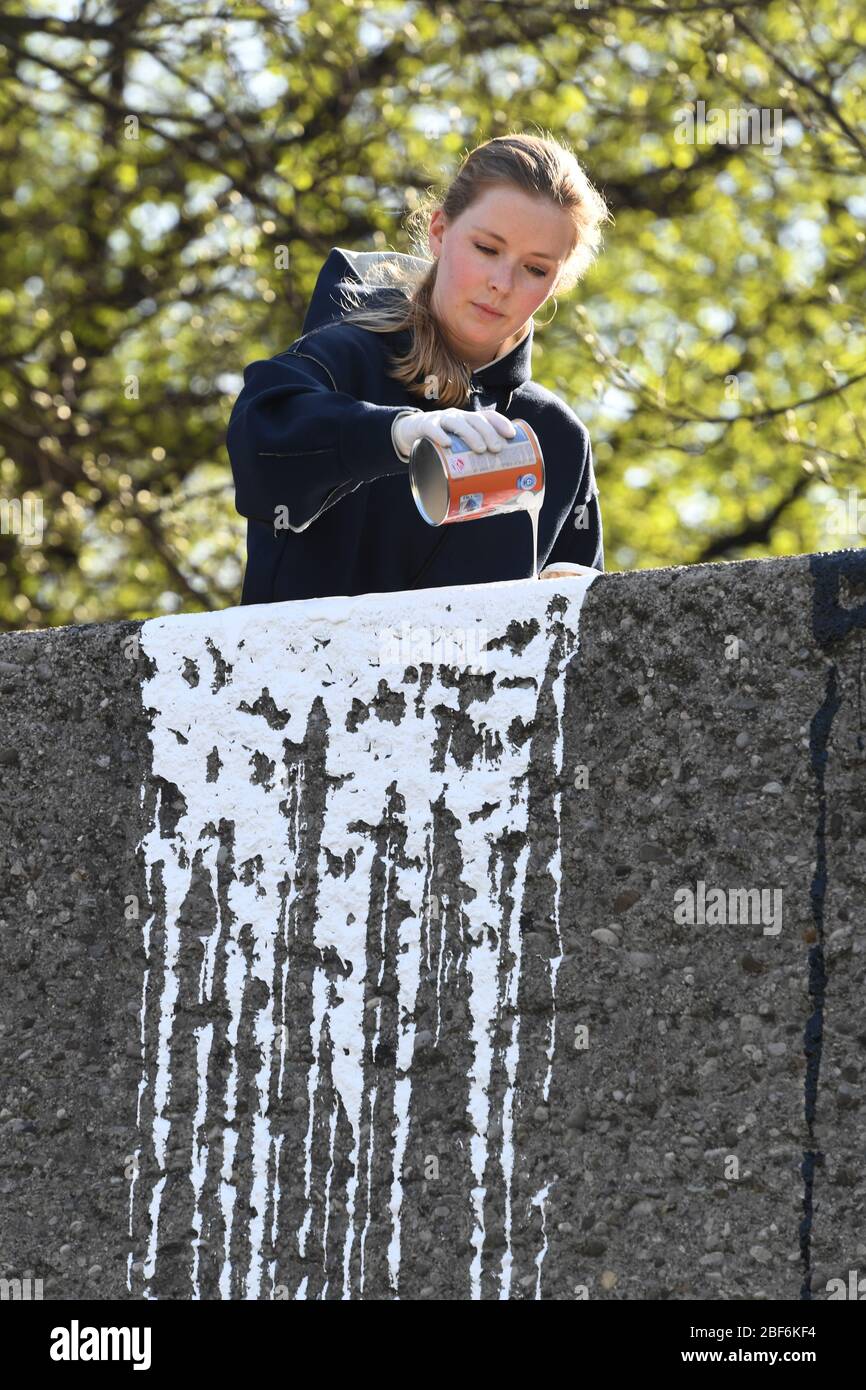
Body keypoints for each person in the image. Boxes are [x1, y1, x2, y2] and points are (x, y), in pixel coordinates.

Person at [227, 132, 611, 605]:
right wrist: (398, 434)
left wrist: (581, 599)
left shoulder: (558, 437)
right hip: (298, 673)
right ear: (439, 232)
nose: (501, 284)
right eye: (487, 249)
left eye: (535, 269)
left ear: (558, 282)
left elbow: (581, 634)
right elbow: (259, 440)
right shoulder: (345, 356)